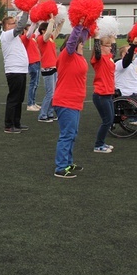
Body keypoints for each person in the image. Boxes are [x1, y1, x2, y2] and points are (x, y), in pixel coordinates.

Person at [52, 22, 91, 179]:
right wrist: (78, 25)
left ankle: (68, 163)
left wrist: (88, 24)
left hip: (75, 102)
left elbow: (83, 35)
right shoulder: (67, 56)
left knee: (72, 134)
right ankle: (60, 167)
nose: (82, 44)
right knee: (67, 135)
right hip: (65, 101)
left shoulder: (79, 57)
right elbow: (74, 38)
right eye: (79, 42)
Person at [0, 12, 30, 134]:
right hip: (14, 70)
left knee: (19, 98)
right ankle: (8, 125)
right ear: (6, 26)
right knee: (13, 98)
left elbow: (22, 26)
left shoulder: (14, 37)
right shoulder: (7, 35)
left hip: (21, 70)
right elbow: (21, 25)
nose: (15, 25)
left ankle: (16, 122)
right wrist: (26, 10)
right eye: (13, 23)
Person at [91, 34, 117, 153]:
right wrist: (96, 37)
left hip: (108, 94)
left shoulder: (109, 57)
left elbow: (114, 51)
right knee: (107, 120)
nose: (110, 48)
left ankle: (102, 142)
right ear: (101, 47)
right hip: (101, 94)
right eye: (107, 46)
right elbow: (97, 51)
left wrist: (113, 37)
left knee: (110, 120)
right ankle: (98, 145)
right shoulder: (98, 58)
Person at [36, 15, 62, 123]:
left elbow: (57, 31)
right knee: (49, 93)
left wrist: (61, 21)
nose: (50, 31)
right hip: (47, 68)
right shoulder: (42, 39)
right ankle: (42, 115)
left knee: (54, 93)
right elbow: (48, 33)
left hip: (54, 67)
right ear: (43, 31)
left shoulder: (50, 38)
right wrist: (51, 20)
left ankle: (50, 113)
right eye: (48, 29)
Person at [23, 22, 42, 111]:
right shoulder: (25, 38)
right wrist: (34, 22)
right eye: (28, 29)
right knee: (33, 84)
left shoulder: (32, 38)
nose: (31, 30)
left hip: (37, 62)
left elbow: (37, 31)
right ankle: (30, 104)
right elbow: (30, 32)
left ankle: (33, 102)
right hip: (32, 62)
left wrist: (43, 21)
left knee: (36, 84)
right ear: (24, 30)